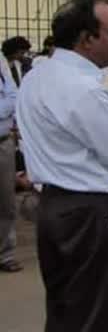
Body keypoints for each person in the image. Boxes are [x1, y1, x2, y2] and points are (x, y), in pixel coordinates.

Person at [16, 0, 108, 331]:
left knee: (68, 311)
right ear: (86, 38)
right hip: (94, 215)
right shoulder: (82, 88)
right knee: (104, 315)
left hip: (56, 208)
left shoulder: (38, 76)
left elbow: (78, 149)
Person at [0, 46, 19, 273]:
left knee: (6, 201)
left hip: (4, 141)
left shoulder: (1, 61)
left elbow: (14, 95)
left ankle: (5, 253)